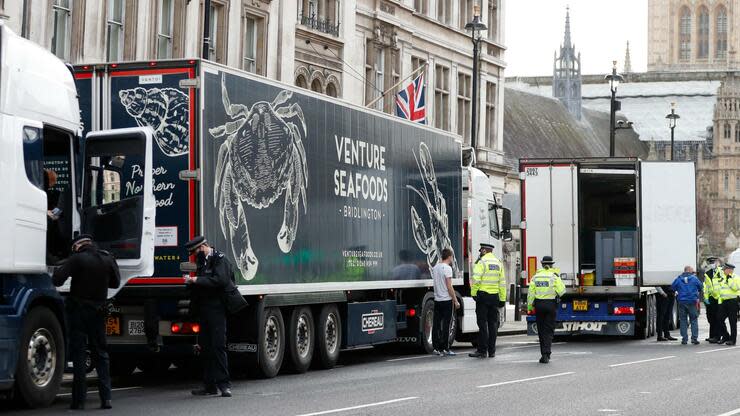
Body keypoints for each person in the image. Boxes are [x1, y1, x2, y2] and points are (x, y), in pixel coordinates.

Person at [52, 235, 120, 410]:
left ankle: (79, 401)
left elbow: (57, 280)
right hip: (99, 311)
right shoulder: (107, 257)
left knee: (79, 355)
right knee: (101, 354)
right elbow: (116, 282)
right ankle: (106, 399)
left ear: (77, 246)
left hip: (79, 311)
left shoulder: (77, 259)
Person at [185, 236, 234, 397]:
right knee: (205, 348)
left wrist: (196, 279)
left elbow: (220, 280)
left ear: (203, 247)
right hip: (204, 310)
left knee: (218, 346)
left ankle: (224, 385)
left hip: (217, 309)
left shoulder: (220, 259)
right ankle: (209, 386)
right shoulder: (202, 261)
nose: (194, 255)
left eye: (195, 251)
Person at [468, 243, 506, 359]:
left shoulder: (482, 262)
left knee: (482, 324)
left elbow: (476, 280)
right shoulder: (498, 263)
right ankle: (492, 351)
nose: (480, 252)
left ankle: (482, 351)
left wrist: (473, 293)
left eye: (481, 251)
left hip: (483, 297)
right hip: (494, 297)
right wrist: (503, 299)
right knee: (493, 324)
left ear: (484, 251)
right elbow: (502, 283)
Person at [527, 256, 565, 364]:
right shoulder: (554, 276)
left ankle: (543, 354)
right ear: (551, 265)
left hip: (539, 305)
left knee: (541, 330)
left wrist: (530, 307)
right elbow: (562, 291)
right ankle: (547, 354)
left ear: (542, 265)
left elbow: (530, 294)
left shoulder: (536, 277)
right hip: (550, 305)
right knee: (548, 330)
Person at [431, 248, 460, 356]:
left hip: (437, 299)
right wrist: (455, 300)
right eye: (452, 257)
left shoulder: (435, 268)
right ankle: (445, 348)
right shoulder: (447, 268)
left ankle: (436, 348)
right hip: (446, 300)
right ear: (449, 257)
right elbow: (449, 286)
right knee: (447, 325)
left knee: (436, 324)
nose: (452, 259)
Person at [671, 266, 703, 345]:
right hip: (692, 301)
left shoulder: (678, 279)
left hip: (682, 301)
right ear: (689, 271)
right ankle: (694, 338)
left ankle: (684, 339)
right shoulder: (694, 279)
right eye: (692, 271)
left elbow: (673, 287)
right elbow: (700, 287)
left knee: (683, 320)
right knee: (694, 320)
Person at [703, 256, 724, 343]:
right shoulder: (707, 273)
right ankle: (712, 335)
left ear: (717, 262)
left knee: (718, 317)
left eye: (713, 262)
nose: (712, 264)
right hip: (711, 298)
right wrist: (706, 298)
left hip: (719, 298)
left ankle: (717, 336)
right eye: (710, 263)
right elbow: (706, 287)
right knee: (710, 317)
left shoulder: (721, 272)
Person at [718, 263, 740, 346]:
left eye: (725, 269)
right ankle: (726, 336)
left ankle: (732, 340)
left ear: (730, 270)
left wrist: (729, 279)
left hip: (733, 302)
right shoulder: (723, 278)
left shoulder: (736, 278)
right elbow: (722, 290)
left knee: (732, 322)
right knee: (719, 319)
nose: (723, 271)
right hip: (724, 302)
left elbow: (735, 288)